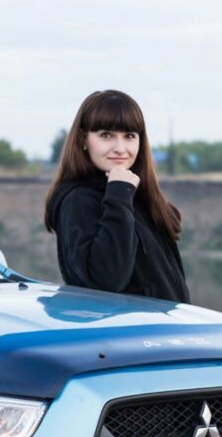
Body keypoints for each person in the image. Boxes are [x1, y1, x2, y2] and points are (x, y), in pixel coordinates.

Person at [44, 90, 191, 303]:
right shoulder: (79, 199)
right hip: (127, 325)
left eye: (129, 136)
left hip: (163, 323)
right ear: (84, 139)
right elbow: (106, 282)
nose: (120, 148)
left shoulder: (136, 194)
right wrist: (119, 194)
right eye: (106, 135)